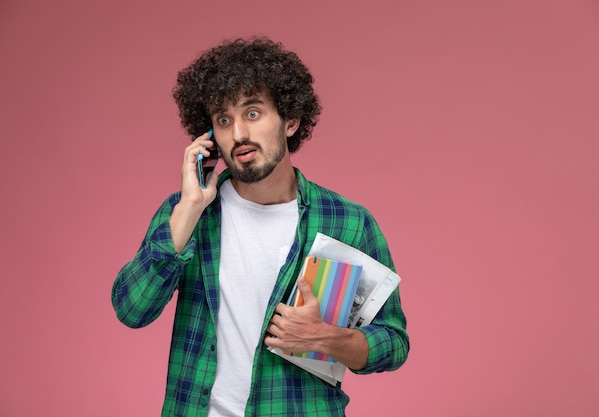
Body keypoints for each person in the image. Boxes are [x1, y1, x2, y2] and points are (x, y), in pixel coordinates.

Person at [112, 36, 409, 417]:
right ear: (209, 138)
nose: (238, 134)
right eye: (223, 120)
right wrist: (188, 208)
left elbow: (393, 343)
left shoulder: (348, 221)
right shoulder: (185, 215)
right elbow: (131, 310)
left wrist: (329, 338)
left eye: (252, 113)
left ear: (291, 120)